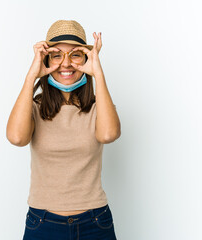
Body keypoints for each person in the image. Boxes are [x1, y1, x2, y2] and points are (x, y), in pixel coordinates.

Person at [7, 19, 120, 240]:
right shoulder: (34, 107)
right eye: (57, 55)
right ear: (46, 60)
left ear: (86, 59)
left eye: (75, 54)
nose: (66, 63)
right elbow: (17, 138)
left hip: (95, 222)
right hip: (43, 222)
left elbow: (108, 135)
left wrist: (98, 73)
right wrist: (32, 75)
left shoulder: (99, 107)